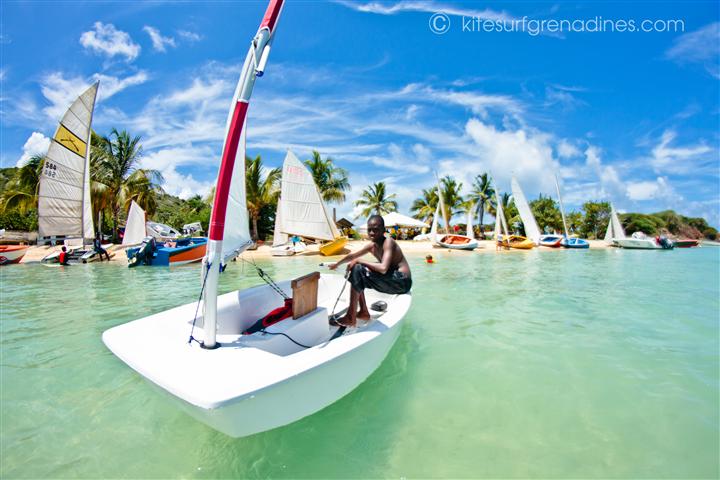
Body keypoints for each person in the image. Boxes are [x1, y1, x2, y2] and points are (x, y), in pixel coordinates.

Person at [329, 215, 411, 327]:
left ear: (383, 230)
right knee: (356, 271)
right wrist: (337, 264)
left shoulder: (388, 242)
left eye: (376, 229)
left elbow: (383, 268)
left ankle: (350, 317)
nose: (372, 233)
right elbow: (353, 255)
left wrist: (359, 261)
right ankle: (363, 312)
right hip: (391, 278)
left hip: (402, 282)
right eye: (369, 230)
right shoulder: (371, 246)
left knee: (358, 268)